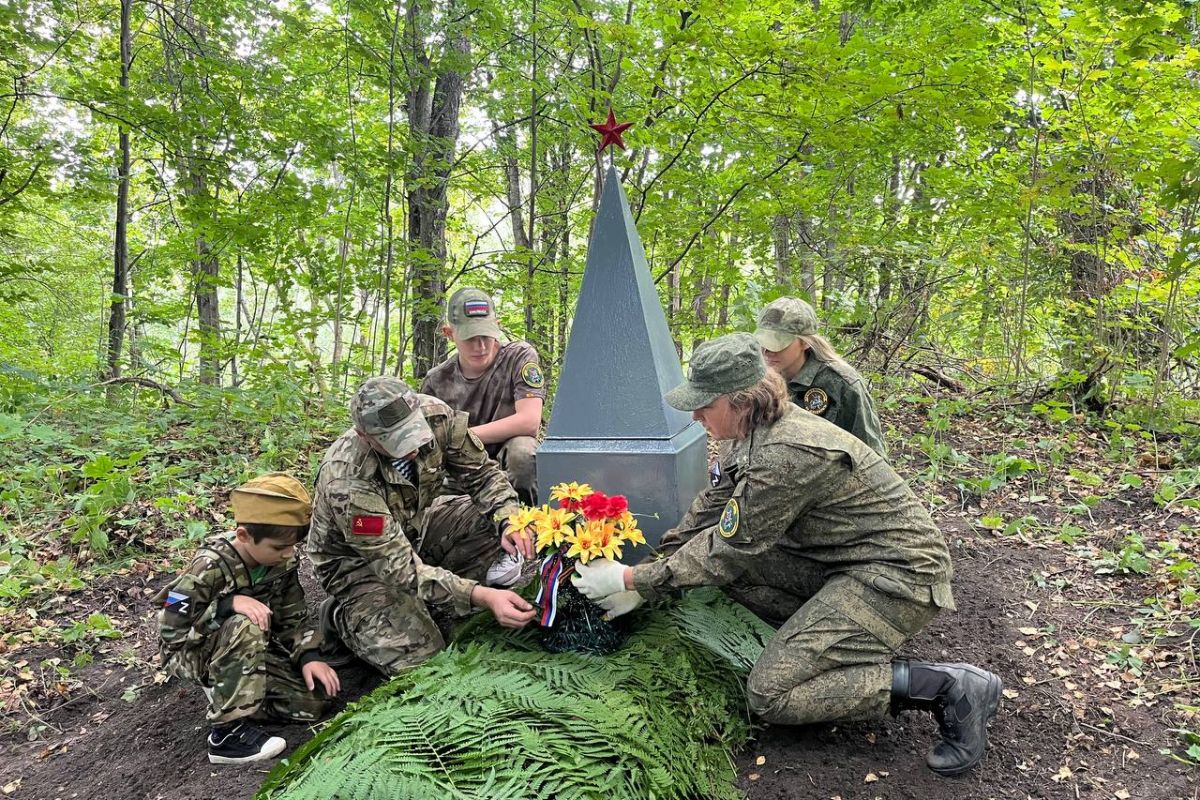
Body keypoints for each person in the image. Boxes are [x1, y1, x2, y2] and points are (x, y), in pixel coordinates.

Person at [573, 333, 1001, 777]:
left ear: (740, 400)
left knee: (770, 694)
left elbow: (726, 550)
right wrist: (648, 572)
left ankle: (950, 687)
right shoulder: (748, 429)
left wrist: (630, 583)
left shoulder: (785, 452)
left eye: (704, 403)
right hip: (841, 560)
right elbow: (710, 512)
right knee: (733, 573)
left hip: (899, 577)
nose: (695, 414)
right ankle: (827, 640)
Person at [308, 376, 536, 677]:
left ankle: (433, 604)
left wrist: (509, 519)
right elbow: (399, 568)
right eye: (396, 441)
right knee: (427, 665)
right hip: (361, 566)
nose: (413, 449)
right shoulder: (348, 479)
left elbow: (483, 475)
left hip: (414, 530)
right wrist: (482, 595)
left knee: (490, 521)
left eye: (413, 433)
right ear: (365, 436)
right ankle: (344, 615)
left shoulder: (437, 416)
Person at [156, 473, 340, 765]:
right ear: (244, 536)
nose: (289, 554)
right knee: (246, 623)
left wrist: (308, 656)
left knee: (311, 704)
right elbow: (170, 629)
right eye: (279, 548)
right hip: (192, 650)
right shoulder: (209, 567)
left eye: (293, 546)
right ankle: (226, 735)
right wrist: (228, 605)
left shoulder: (283, 563)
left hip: (249, 646)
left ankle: (235, 688)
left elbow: (292, 617)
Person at [421, 287, 545, 506]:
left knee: (523, 453)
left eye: (486, 336)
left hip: (507, 457)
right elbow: (429, 445)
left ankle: (528, 527)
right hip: (461, 468)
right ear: (449, 334)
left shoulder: (518, 357)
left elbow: (529, 422)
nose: (480, 347)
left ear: (497, 327)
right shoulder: (436, 381)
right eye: (470, 338)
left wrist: (459, 436)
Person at [754, 296, 887, 456]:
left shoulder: (840, 384)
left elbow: (872, 454)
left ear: (804, 343)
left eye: (778, 343)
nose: (767, 351)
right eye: (763, 341)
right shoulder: (757, 378)